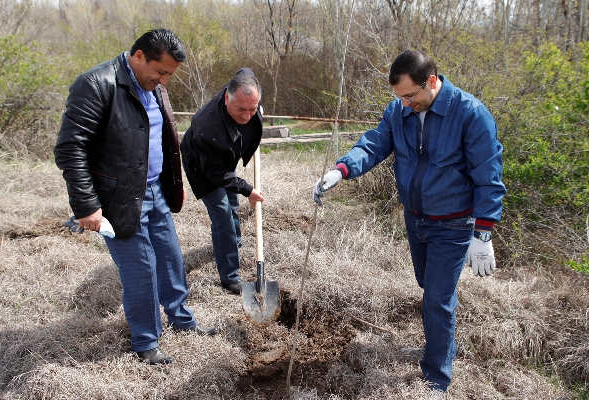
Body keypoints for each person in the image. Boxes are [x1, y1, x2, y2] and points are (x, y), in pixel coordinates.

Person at [312, 50, 506, 394]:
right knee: (428, 286)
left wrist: (484, 232)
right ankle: (443, 346)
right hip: (416, 219)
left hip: (454, 223)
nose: (404, 104)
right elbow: (374, 145)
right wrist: (341, 170)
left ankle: (436, 378)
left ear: (431, 81)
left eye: (410, 96)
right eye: (399, 97)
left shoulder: (469, 114)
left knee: (437, 299)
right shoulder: (399, 111)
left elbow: (488, 175)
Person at [54, 28, 217, 366]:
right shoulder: (97, 84)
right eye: (160, 72)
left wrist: (172, 184)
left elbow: (162, 138)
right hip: (120, 198)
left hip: (156, 192)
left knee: (171, 260)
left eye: (169, 75)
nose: (164, 81)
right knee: (141, 270)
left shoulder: (155, 86)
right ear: (139, 56)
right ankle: (146, 342)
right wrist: (87, 205)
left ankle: (181, 320)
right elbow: (71, 148)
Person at [180, 68, 264, 295]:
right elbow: (215, 173)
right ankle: (230, 277)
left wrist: (254, 107)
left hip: (225, 154)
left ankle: (233, 242)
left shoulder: (243, 89)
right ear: (227, 98)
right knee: (223, 215)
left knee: (232, 202)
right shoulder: (207, 126)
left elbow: (245, 71)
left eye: (252, 109)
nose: (247, 117)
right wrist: (248, 189)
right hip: (203, 166)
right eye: (241, 109)